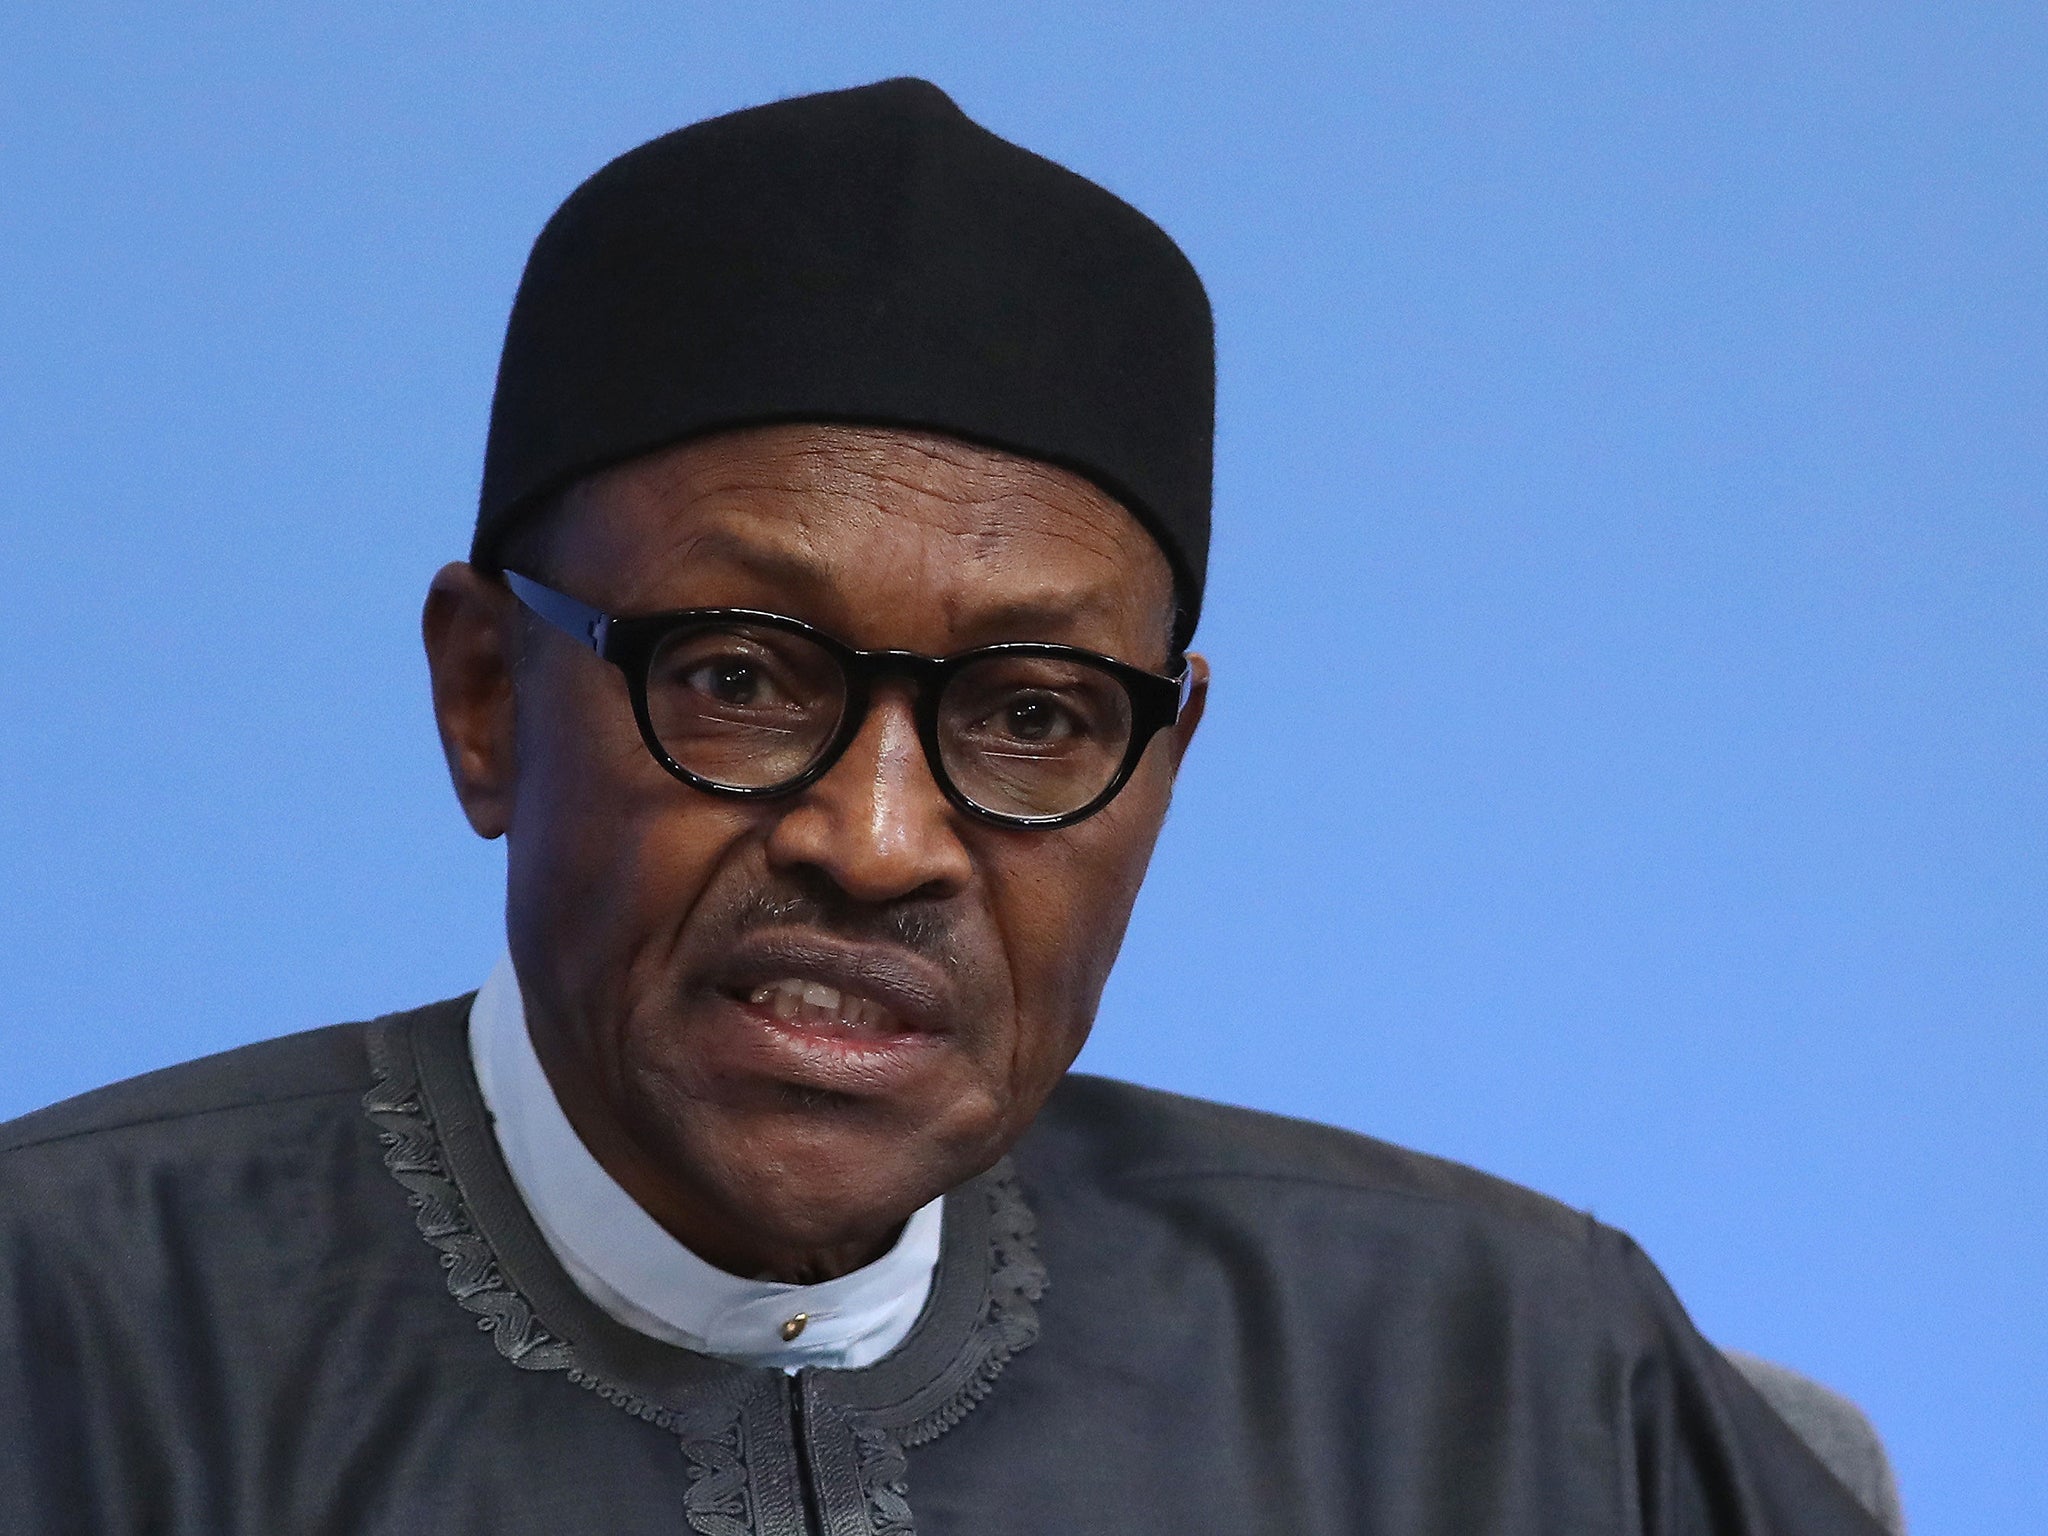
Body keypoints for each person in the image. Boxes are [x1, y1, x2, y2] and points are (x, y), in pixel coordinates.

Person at [0, 79, 1892, 1534]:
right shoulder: (66, 1341)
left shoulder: (1504, 1381)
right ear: (487, 697)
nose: (882, 839)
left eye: (1037, 715)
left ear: (1161, 763)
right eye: (738, 677)